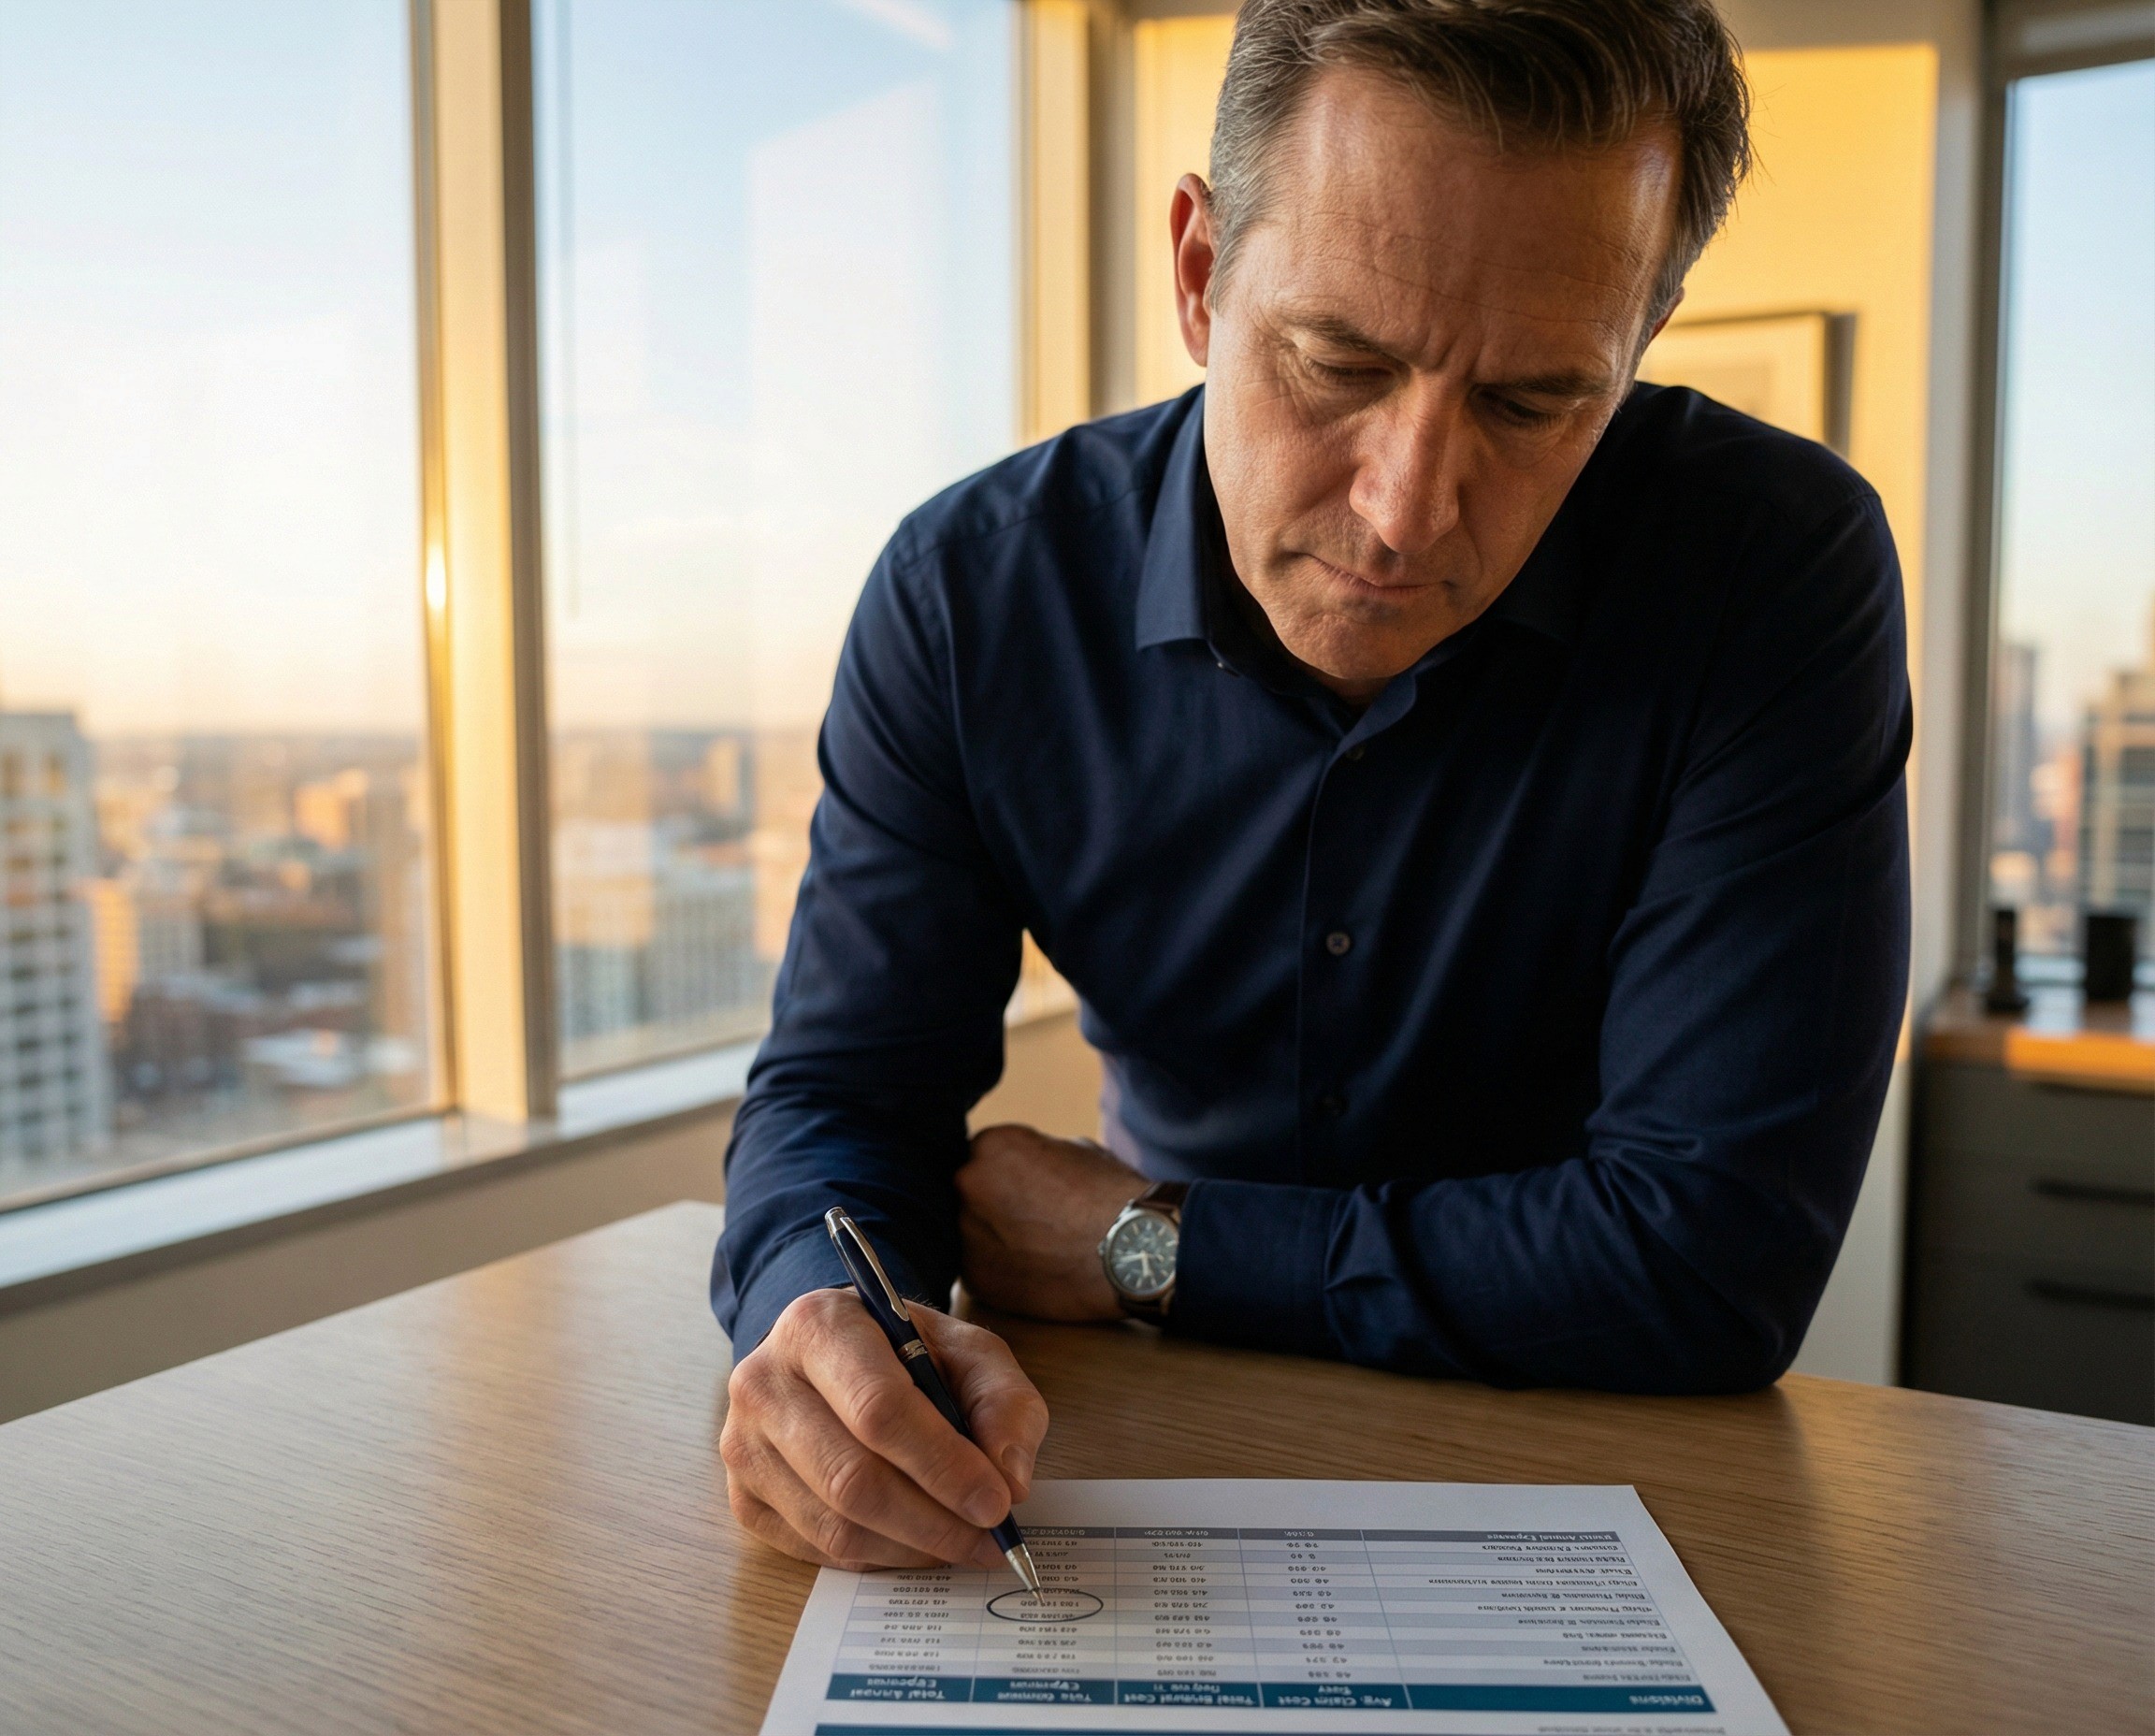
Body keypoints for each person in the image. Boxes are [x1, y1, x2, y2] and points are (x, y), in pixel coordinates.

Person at [713, 0, 1912, 1578]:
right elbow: (843, 1100)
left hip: (1592, 1459)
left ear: (1641, 340)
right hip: (1131, 1440)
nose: (1408, 510)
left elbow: (1710, 1262)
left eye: (1534, 402)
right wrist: (828, 1321)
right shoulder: (972, 598)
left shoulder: (1769, 573)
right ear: (1203, 275)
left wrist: (1145, 1245)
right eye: (1340, 362)